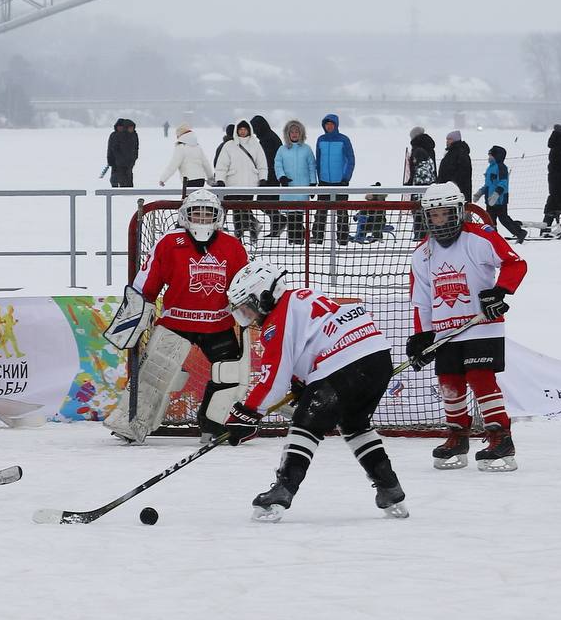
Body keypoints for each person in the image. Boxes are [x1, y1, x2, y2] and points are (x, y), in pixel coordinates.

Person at [222, 260, 408, 522]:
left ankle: (283, 490)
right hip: (377, 358)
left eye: (248, 308)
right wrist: (306, 381)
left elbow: (273, 379)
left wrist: (248, 412)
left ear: (264, 296)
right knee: (355, 424)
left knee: (304, 425)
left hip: (343, 364)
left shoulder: (278, 319)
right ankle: (390, 488)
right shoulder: (303, 297)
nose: (249, 317)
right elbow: (314, 342)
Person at [101, 189, 249, 444]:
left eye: (208, 213)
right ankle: (132, 422)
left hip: (218, 324)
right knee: (154, 374)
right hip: (176, 323)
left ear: (218, 217)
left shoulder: (233, 247)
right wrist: (135, 314)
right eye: (196, 212)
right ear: (185, 215)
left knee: (230, 374)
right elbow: (146, 284)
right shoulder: (168, 243)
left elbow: (243, 287)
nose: (202, 218)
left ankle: (214, 426)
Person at [407, 181, 527, 472]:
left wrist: (499, 292)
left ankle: (500, 438)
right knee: (449, 382)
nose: (439, 221)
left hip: (482, 324)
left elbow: (515, 264)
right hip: (446, 331)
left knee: (480, 378)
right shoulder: (421, 253)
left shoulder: (479, 237)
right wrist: (422, 336)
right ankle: (457, 436)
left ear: (458, 211)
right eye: (433, 216)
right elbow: (421, 300)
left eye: (445, 214)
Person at [213, 120, 268, 245]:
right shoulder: (229, 145)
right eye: (240, 129)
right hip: (233, 183)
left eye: (245, 129)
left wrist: (263, 178)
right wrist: (220, 180)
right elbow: (222, 165)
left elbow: (262, 164)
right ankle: (239, 235)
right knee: (237, 210)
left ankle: (251, 231)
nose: (243, 132)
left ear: (249, 130)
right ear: (236, 131)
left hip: (250, 184)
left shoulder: (255, 145)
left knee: (245, 209)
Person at [313, 113, 355, 245]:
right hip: (324, 182)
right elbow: (318, 161)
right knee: (320, 212)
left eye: (331, 124)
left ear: (336, 125)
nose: (329, 126)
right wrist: (319, 179)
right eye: (327, 124)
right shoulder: (321, 140)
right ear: (324, 125)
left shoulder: (344, 140)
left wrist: (346, 178)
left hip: (340, 182)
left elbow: (351, 160)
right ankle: (317, 238)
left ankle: (342, 239)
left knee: (342, 213)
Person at [273, 119, 317, 242]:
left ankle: (299, 240)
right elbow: (278, 164)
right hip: (288, 189)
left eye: (297, 131)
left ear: (301, 133)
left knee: (299, 216)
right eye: (291, 132)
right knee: (291, 216)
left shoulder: (307, 149)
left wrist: (313, 184)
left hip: (303, 188)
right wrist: (281, 177)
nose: (294, 134)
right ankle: (292, 241)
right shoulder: (282, 149)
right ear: (287, 134)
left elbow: (311, 166)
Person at [475, 145, 527, 243]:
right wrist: (480, 192)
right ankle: (493, 237)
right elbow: (488, 184)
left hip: (500, 199)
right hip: (489, 199)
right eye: (489, 155)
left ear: (497, 156)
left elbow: (503, 183)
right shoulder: (490, 168)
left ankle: (520, 233)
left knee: (504, 219)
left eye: (491, 155)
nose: (489, 157)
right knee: (490, 219)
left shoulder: (501, 167)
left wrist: (496, 194)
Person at [250, 115, 283, 236]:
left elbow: (267, 159)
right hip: (271, 175)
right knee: (269, 203)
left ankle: (279, 222)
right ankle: (276, 226)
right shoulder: (268, 137)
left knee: (263, 202)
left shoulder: (267, 139)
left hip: (270, 176)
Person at [158, 123, 214, 190]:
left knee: (188, 199)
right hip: (201, 179)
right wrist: (210, 177)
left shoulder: (181, 147)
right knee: (197, 199)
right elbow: (206, 163)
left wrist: (163, 179)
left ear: (180, 135)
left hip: (189, 180)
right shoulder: (197, 147)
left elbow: (173, 165)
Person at [405, 126, 437, 241]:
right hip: (430, 184)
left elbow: (416, 170)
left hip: (420, 187)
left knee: (419, 211)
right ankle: (424, 234)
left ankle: (420, 235)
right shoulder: (429, 147)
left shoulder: (418, 149)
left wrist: (410, 183)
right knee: (425, 212)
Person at [543, 124, 561, 235]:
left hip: (554, 178)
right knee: (560, 201)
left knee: (554, 201)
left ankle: (545, 228)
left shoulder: (555, 145)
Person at [437, 130, 473, 203]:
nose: (447, 141)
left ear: (455, 140)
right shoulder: (451, 153)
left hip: (456, 191)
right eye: (447, 140)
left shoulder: (460, 153)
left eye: (449, 139)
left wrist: (452, 183)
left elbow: (463, 174)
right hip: (448, 190)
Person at [106, 118, 138, 188]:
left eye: (121, 127)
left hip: (126, 162)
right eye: (118, 127)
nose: (120, 128)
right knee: (115, 179)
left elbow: (135, 148)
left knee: (127, 179)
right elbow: (111, 149)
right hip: (115, 161)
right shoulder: (114, 135)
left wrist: (133, 158)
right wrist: (110, 160)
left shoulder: (131, 135)